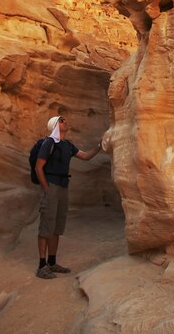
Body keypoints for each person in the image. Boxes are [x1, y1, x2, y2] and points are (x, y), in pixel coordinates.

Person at [35, 115, 102, 279]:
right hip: (52, 186)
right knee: (46, 226)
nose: (66, 121)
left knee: (57, 226)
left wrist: (101, 145)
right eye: (62, 120)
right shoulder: (49, 143)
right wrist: (47, 188)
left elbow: (86, 156)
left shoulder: (67, 145)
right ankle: (42, 266)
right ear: (56, 125)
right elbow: (38, 167)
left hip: (63, 187)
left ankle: (52, 262)